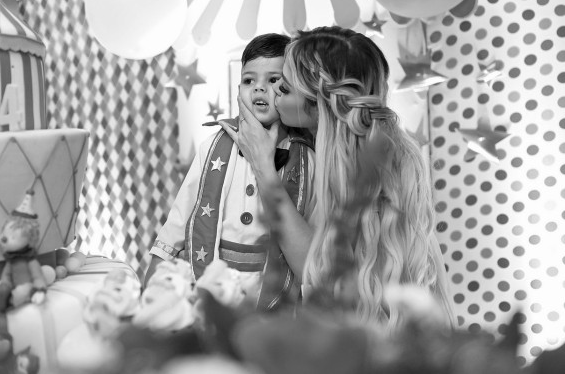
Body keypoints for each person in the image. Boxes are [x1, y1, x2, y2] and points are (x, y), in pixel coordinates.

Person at [219, 26, 456, 327]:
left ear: (319, 104)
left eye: (285, 88)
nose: (273, 92)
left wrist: (263, 165)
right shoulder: (328, 145)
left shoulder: (364, 169)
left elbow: (317, 273)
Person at [146, 33, 315, 310]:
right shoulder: (212, 147)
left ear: (289, 89)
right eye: (249, 81)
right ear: (238, 88)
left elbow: (313, 242)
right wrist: (155, 273)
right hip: (216, 281)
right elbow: (180, 216)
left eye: (274, 80)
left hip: (275, 292)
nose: (259, 89)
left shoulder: (306, 158)